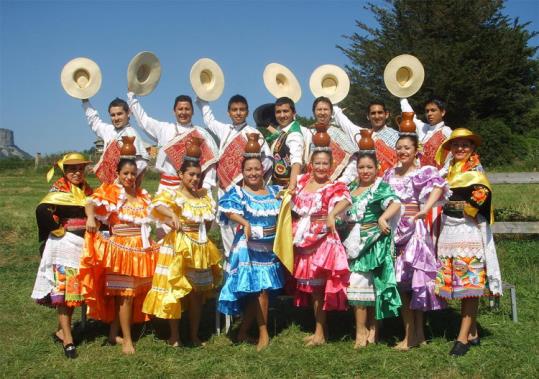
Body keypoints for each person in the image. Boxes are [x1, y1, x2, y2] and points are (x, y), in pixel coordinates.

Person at [143, 142, 222, 347]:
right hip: (177, 247)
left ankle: (194, 335)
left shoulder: (204, 196)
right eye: (191, 175)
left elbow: (208, 221)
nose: (195, 179)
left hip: (199, 247)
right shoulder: (172, 194)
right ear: (180, 174)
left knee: (196, 294)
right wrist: (170, 215)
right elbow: (156, 205)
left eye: (198, 175)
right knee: (175, 291)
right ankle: (175, 335)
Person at [80, 155, 158, 354]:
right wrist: (90, 217)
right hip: (120, 251)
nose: (130, 177)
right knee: (125, 295)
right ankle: (127, 340)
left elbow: (156, 211)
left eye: (133, 173)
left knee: (132, 294)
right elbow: (90, 203)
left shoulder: (142, 195)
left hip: (140, 249)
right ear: (118, 174)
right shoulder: (112, 191)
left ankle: (114, 333)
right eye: (126, 173)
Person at [434, 128, 502, 357]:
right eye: (456, 145)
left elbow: (481, 199)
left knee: (469, 285)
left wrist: (452, 205)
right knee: (457, 284)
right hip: (448, 234)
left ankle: (461, 338)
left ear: (472, 148)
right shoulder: (446, 172)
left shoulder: (475, 173)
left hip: (468, 233)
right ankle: (472, 332)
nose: (460, 148)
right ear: (450, 149)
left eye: (465, 145)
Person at [382, 133, 450, 350]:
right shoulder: (389, 174)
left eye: (406, 148)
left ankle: (417, 333)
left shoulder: (422, 172)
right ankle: (410, 333)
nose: (402, 152)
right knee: (402, 284)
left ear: (415, 151)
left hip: (414, 230)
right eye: (399, 148)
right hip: (394, 230)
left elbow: (439, 186)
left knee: (415, 284)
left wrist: (426, 208)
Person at [217, 141, 285, 352]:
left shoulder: (274, 192)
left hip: (268, 251)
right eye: (249, 169)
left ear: (263, 170)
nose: (253, 173)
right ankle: (263, 334)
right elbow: (227, 211)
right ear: (242, 172)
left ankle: (243, 332)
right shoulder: (237, 193)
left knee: (258, 293)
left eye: (257, 169)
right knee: (259, 291)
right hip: (248, 249)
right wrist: (244, 222)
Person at [291, 133, 352, 346]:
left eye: (325, 163)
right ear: (311, 164)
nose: (321, 167)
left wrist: (332, 214)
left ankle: (320, 332)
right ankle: (320, 329)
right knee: (313, 289)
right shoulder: (302, 183)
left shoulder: (334, 185)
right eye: (317, 163)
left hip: (323, 241)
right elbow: (291, 199)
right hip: (305, 240)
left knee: (320, 288)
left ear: (331, 165)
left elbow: (345, 200)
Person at [195, 95, 273, 259]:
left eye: (242, 110)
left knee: (243, 229)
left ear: (247, 112)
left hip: (243, 190)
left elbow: (267, 160)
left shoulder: (253, 133)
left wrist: (250, 177)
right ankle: (230, 271)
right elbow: (209, 120)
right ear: (229, 112)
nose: (238, 113)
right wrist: (203, 100)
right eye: (234, 110)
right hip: (224, 189)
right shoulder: (225, 130)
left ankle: (246, 267)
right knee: (226, 228)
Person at [32, 153, 93, 359]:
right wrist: (58, 229)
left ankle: (62, 330)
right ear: (64, 171)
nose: (77, 173)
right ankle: (68, 339)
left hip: (83, 247)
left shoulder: (87, 190)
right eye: (71, 169)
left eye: (80, 169)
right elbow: (42, 210)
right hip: (64, 248)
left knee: (77, 291)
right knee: (66, 294)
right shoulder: (59, 190)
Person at [340, 150, 402, 349]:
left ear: (377, 169)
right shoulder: (350, 188)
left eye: (369, 167)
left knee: (376, 286)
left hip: (374, 242)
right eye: (361, 167)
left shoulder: (380, 188)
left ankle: (375, 329)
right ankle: (360, 329)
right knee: (357, 285)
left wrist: (383, 218)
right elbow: (343, 212)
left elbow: (395, 203)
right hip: (353, 243)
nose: (365, 171)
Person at [127, 92, 218, 193]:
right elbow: (144, 121)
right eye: (180, 109)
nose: (183, 112)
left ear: (193, 112)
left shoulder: (201, 134)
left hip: (193, 189)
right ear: (174, 112)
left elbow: (210, 163)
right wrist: (132, 97)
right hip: (167, 188)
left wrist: (206, 186)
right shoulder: (164, 129)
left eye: (187, 109)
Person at [82, 97, 149, 179]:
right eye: (113, 115)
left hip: (123, 187)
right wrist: (84, 99)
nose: (116, 118)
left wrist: (124, 179)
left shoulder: (131, 134)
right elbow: (94, 121)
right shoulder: (109, 130)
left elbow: (141, 163)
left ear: (128, 113)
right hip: (107, 185)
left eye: (119, 114)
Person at [334, 101, 399, 176]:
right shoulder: (362, 136)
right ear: (368, 116)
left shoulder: (397, 135)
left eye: (380, 112)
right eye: (373, 113)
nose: (377, 116)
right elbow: (346, 124)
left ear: (386, 114)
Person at [265, 97, 311, 191]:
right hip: (278, 186)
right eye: (278, 112)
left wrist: (292, 187)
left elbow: (296, 161)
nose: (282, 115)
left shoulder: (294, 133)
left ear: (293, 113)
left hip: (292, 188)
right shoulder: (281, 133)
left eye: (285, 111)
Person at [310, 97, 357, 184]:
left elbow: (354, 159)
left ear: (331, 113)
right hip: (310, 183)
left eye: (326, 109)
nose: (322, 113)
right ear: (314, 112)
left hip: (333, 184)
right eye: (319, 109)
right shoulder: (309, 133)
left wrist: (341, 181)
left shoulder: (337, 133)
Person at [399, 97, 452, 168]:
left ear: (442, 112)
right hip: (419, 173)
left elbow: (452, 157)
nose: (429, 114)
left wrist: (439, 175)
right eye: (427, 111)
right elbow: (410, 116)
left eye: (433, 110)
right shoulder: (424, 128)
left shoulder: (447, 132)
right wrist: (402, 97)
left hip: (438, 176)